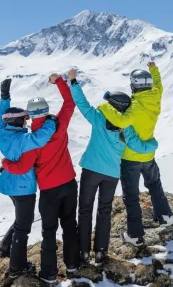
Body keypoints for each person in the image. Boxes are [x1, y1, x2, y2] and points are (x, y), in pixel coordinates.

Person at [66, 68, 159, 266]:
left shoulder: (99, 119)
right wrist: (154, 144)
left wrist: (73, 82)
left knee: (84, 210)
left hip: (91, 170)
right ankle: (100, 253)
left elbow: (81, 103)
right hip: (111, 175)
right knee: (105, 211)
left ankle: (83, 254)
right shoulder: (128, 129)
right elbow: (142, 147)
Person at [2, 73, 79, 284]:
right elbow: (70, 102)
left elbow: (21, 168)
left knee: (48, 231)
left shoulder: (31, 141)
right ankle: (73, 265)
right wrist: (59, 82)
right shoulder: (59, 122)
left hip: (49, 191)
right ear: (46, 111)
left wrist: (5, 163)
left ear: (31, 116)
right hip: (70, 184)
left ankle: (48, 274)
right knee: (70, 224)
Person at [97, 62, 173, 247]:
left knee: (131, 196)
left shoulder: (133, 108)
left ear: (133, 86)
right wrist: (154, 70)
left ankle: (135, 234)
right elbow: (159, 85)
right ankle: (165, 216)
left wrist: (104, 106)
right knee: (155, 185)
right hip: (148, 155)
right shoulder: (155, 97)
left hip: (130, 158)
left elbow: (120, 121)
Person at [0, 78, 58, 278]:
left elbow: (0, 117)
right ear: (17, 121)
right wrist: (50, 122)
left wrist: (4, 98)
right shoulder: (23, 140)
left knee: (21, 219)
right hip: (23, 188)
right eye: (25, 119)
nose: (27, 121)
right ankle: (16, 268)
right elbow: (41, 138)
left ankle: (5, 248)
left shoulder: (2, 132)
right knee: (23, 226)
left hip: (9, 185)